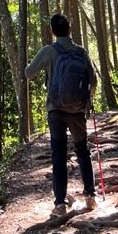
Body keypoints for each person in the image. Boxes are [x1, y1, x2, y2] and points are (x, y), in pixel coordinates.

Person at [25, 13, 98, 217]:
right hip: (77, 111)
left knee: (58, 155)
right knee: (83, 151)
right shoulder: (81, 52)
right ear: (70, 30)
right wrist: (85, 101)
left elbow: (29, 73)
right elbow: (93, 80)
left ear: (52, 31)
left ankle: (60, 204)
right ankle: (90, 196)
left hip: (55, 109)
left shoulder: (49, 51)